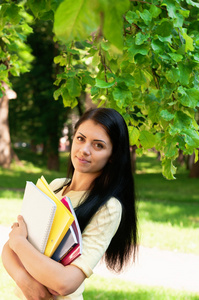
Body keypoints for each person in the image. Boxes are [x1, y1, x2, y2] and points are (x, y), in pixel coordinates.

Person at [1, 107, 138, 300]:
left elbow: (65, 282)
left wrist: (19, 243)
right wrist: (25, 280)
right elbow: (8, 249)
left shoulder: (108, 207)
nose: (85, 150)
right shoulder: (55, 187)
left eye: (98, 145)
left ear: (113, 156)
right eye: (80, 138)